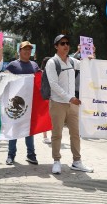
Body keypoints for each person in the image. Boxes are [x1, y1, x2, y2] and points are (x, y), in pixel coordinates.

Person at [46, 34, 94, 174]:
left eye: (67, 43)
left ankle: (77, 161)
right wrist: (70, 98)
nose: (66, 45)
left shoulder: (73, 62)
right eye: (62, 43)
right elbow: (53, 85)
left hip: (72, 104)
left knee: (75, 133)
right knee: (57, 134)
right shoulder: (52, 63)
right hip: (58, 103)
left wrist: (90, 56)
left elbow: (87, 65)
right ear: (56, 46)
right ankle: (56, 161)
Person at [5, 41, 40, 165]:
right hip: (16, 103)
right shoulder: (13, 65)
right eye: (25, 49)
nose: (27, 51)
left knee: (29, 130)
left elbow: (39, 81)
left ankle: (31, 154)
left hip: (30, 104)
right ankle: (11, 155)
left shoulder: (35, 65)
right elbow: (5, 79)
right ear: (19, 51)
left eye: (29, 49)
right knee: (13, 128)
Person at [40, 57, 52, 144]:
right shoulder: (41, 73)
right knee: (45, 117)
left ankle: (53, 135)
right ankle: (45, 136)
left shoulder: (54, 72)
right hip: (44, 98)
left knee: (53, 118)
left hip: (53, 98)